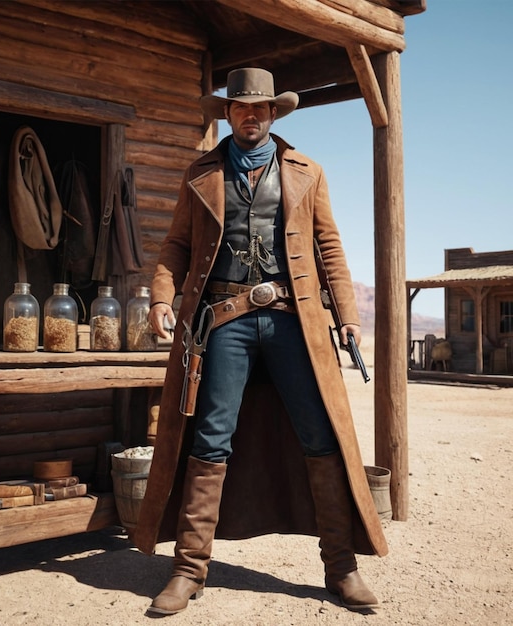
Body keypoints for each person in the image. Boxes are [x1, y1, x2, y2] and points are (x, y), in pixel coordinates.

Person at [132, 67, 388, 616]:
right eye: (241, 107)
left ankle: (341, 569)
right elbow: (176, 245)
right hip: (224, 318)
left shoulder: (305, 171)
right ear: (228, 113)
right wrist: (161, 297)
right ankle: (187, 570)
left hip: (296, 321)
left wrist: (347, 314)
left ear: (275, 114)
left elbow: (330, 248)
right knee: (211, 434)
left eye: (261, 108)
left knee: (321, 434)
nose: (251, 115)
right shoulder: (201, 172)